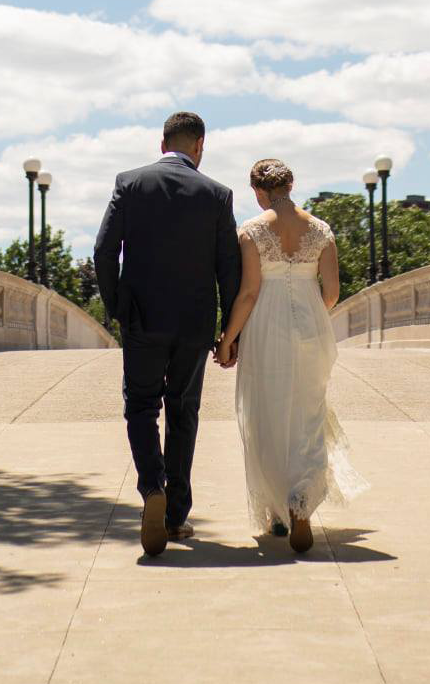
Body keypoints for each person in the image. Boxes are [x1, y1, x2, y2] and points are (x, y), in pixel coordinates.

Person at [93, 112, 242, 557]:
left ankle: (151, 488)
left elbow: (104, 250)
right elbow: (228, 269)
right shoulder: (217, 195)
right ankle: (176, 516)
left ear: (162, 144)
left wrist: (119, 307)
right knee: (183, 412)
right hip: (194, 325)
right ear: (200, 146)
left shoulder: (130, 183)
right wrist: (229, 333)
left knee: (140, 407)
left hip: (141, 319)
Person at [216, 158, 368, 552]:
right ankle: (301, 506)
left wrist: (227, 339)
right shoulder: (321, 231)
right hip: (310, 328)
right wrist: (312, 313)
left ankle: (275, 512)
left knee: (267, 414)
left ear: (257, 191)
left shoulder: (251, 231)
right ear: (292, 184)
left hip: (266, 327)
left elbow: (248, 293)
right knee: (308, 414)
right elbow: (332, 292)